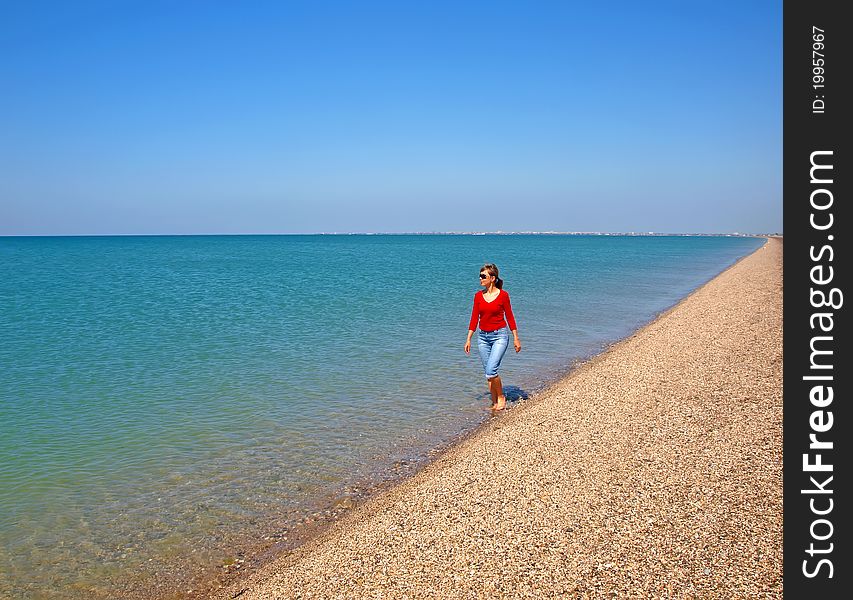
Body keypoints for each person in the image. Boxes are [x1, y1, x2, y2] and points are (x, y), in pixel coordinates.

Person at [464, 263, 521, 411]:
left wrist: (516, 338)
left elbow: (510, 316)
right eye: (480, 275)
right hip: (482, 338)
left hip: (499, 336)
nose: (480, 278)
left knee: (491, 371)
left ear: (493, 278)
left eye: (483, 276)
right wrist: (469, 338)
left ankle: (501, 396)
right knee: (488, 374)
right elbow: (474, 318)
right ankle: (495, 402)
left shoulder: (503, 295)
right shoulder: (478, 296)